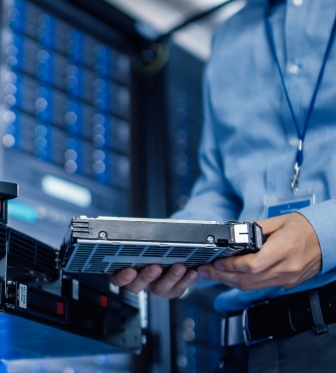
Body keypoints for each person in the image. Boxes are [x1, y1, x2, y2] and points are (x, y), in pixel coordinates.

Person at [110, 0, 336, 371]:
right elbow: (221, 190)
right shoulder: (231, 37)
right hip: (244, 351)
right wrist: (175, 251)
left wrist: (324, 235)